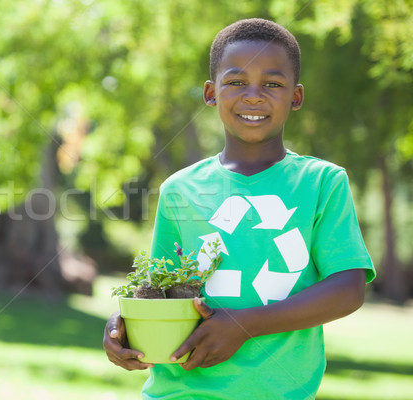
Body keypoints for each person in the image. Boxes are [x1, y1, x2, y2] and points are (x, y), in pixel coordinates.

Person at [103, 18, 376, 400]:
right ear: (211, 93)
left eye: (272, 84)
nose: (253, 95)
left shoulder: (321, 183)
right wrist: (123, 328)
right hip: (179, 393)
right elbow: (158, 293)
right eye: (236, 82)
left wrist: (243, 325)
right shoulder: (179, 190)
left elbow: (348, 289)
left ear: (295, 97)